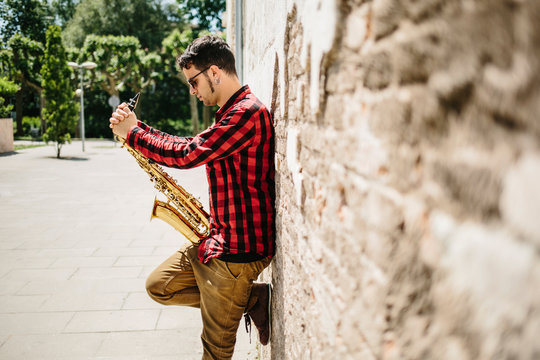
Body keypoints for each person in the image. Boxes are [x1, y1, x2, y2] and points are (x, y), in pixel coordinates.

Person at [109, 35, 275, 360]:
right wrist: (137, 127)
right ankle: (251, 299)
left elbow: (188, 153)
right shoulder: (229, 113)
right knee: (159, 285)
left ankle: (238, 297)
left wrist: (133, 133)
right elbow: (192, 142)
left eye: (193, 81)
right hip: (218, 242)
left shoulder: (247, 113)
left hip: (238, 254)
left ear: (214, 72)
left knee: (213, 355)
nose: (192, 90)